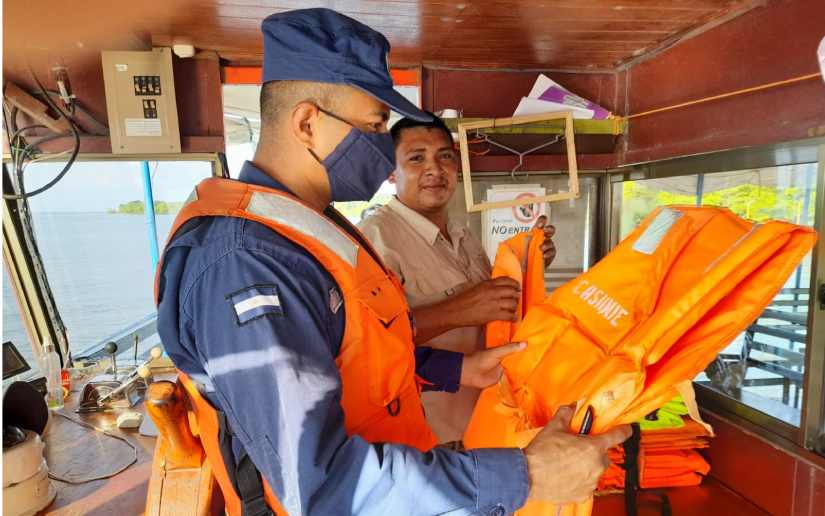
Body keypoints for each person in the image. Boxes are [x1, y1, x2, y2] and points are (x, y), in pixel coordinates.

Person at [156, 8, 630, 515]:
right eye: (375, 124)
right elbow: (320, 484)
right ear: (308, 123)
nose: (385, 145)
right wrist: (527, 474)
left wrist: (457, 368)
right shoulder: (249, 263)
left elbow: (360, 349)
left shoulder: (316, 229)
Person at [358, 113, 557, 444]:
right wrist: (461, 309)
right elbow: (369, 342)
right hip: (428, 442)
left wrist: (527, 264)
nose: (434, 169)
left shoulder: (462, 233)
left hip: (487, 425)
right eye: (416, 158)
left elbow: (492, 311)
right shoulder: (375, 238)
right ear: (391, 172)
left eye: (445, 157)